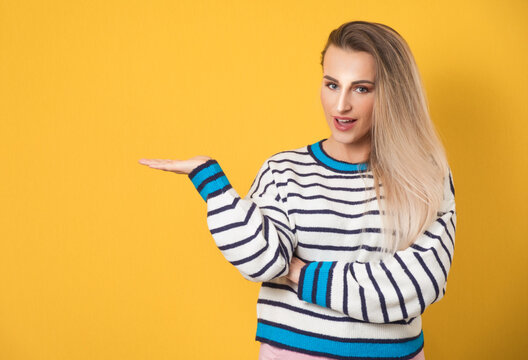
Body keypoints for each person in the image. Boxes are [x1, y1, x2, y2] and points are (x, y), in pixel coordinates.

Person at [138, 20, 456, 360]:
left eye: (361, 88)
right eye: (332, 84)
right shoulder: (284, 171)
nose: (341, 105)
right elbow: (262, 261)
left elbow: (416, 285)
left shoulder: (425, 176)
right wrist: (214, 188)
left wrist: (300, 273)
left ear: (394, 94)